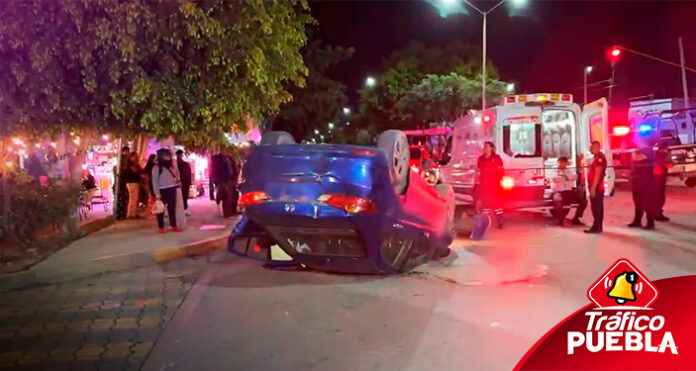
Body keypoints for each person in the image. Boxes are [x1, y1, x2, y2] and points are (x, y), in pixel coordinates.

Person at [628, 137, 657, 230]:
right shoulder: (639, 151)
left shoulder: (647, 151)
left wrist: (635, 154)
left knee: (647, 202)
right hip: (637, 181)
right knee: (638, 202)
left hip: (645, 182)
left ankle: (650, 222)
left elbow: (638, 158)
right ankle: (637, 220)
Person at [152, 148, 182, 233]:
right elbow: (154, 182)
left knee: (172, 209)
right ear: (161, 156)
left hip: (172, 189)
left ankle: (174, 226)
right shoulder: (156, 168)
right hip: (162, 190)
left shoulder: (171, 167)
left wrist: (177, 183)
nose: (168, 157)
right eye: (166, 156)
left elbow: (175, 177)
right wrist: (157, 194)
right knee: (160, 210)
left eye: (169, 155)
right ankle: (161, 227)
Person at [549, 156, 586, 226]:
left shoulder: (569, 170)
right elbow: (555, 179)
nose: (562, 164)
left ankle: (576, 218)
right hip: (558, 191)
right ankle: (560, 220)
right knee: (558, 201)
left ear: (566, 163)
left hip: (569, 191)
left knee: (583, 201)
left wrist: (564, 176)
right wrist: (567, 178)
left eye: (564, 162)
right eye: (560, 162)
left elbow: (575, 177)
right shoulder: (554, 170)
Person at [476, 141, 505, 229]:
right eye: (484, 147)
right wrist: (477, 182)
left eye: (486, 147)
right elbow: (478, 171)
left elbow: (501, 170)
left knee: (496, 204)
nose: (484, 148)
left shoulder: (496, 158)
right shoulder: (481, 159)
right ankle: (486, 222)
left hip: (495, 184)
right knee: (485, 204)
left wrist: (500, 180)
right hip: (484, 184)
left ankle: (500, 220)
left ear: (491, 148)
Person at [585, 141, 607, 234]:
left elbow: (597, 174)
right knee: (596, 207)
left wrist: (593, 188)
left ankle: (597, 227)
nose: (590, 149)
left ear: (597, 147)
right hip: (596, 186)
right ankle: (597, 226)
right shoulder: (596, 158)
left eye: (592, 147)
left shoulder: (599, 159)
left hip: (597, 187)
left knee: (597, 207)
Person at [653, 142, 670, 221]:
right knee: (659, 197)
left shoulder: (657, 155)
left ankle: (657, 213)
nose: (666, 150)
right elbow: (666, 165)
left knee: (659, 197)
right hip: (659, 177)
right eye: (665, 148)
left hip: (658, 177)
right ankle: (658, 214)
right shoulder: (660, 156)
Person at [123, 151, 142, 219]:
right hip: (131, 182)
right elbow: (136, 171)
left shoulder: (135, 164)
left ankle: (134, 213)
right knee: (133, 198)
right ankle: (131, 214)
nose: (136, 157)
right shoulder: (131, 164)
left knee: (135, 198)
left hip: (135, 182)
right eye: (135, 156)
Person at [114, 146, 130, 220]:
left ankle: (122, 215)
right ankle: (118, 215)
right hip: (119, 185)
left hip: (123, 185)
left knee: (124, 199)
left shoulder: (126, 168)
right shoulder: (117, 168)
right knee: (120, 200)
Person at [176, 150, 193, 216]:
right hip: (178, 183)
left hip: (185, 183)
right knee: (179, 197)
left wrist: (189, 183)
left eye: (180, 155)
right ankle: (181, 210)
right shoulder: (175, 164)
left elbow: (188, 174)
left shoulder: (185, 164)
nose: (179, 156)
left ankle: (184, 209)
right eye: (178, 155)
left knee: (184, 197)